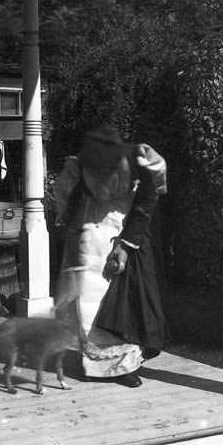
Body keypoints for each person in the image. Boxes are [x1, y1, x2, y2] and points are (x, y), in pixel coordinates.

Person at [52, 123, 168, 387]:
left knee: (124, 301)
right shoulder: (78, 168)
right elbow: (65, 200)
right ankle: (94, 365)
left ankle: (123, 366)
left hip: (123, 230)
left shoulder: (139, 162)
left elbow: (147, 202)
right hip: (90, 234)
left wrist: (126, 244)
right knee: (89, 301)